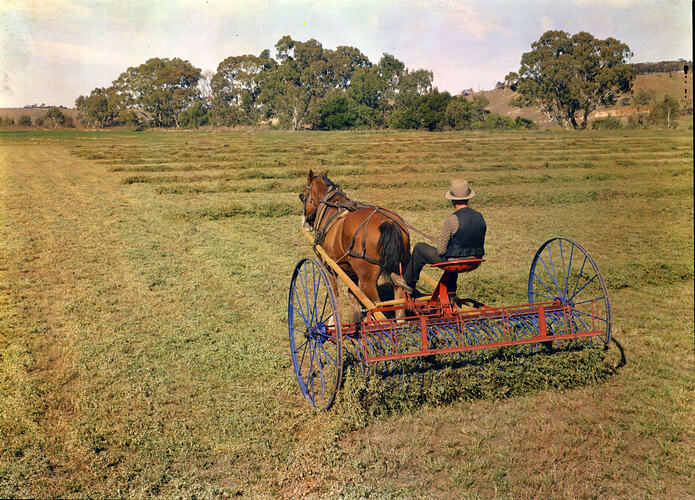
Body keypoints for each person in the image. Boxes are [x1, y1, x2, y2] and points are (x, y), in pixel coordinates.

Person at [391, 179, 486, 294]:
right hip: (475, 261)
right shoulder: (480, 216)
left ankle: (408, 282)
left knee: (420, 248)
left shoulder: (452, 219)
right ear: (468, 198)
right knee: (453, 254)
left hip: (455, 262)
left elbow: (441, 251)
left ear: (452, 200)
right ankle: (450, 292)